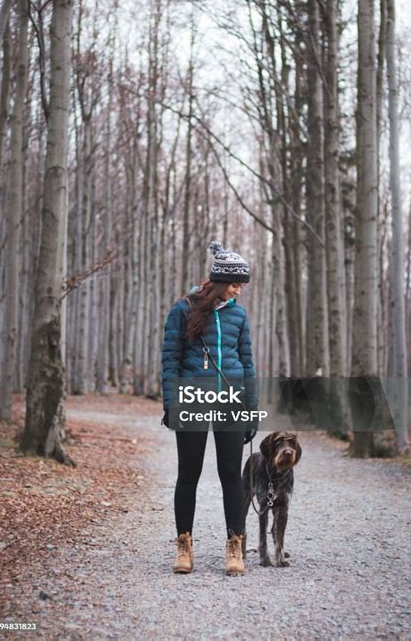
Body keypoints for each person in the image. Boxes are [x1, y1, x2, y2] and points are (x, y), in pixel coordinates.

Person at [161, 241, 258, 576]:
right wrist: (171, 402)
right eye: (235, 285)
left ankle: (235, 547)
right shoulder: (183, 310)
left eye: (242, 285)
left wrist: (251, 407)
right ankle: (184, 546)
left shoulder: (238, 314)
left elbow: (247, 362)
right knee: (189, 474)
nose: (239, 291)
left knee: (231, 476)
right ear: (218, 282)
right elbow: (170, 359)